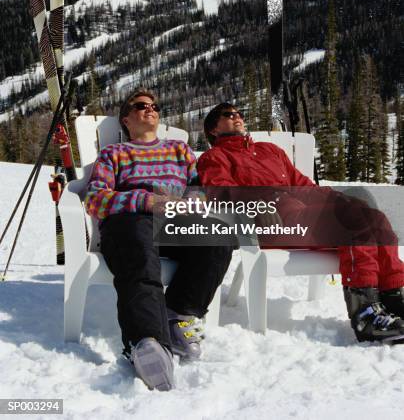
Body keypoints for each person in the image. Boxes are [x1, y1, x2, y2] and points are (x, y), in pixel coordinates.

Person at [197, 102, 404, 344]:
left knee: (373, 217)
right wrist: (257, 203)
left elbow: (304, 187)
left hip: (302, 215)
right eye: (228, 115)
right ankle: (365, 314)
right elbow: (220, 193)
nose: (237, 117)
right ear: (213, 129)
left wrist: (340, 199)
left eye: (239, 113)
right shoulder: (215, 157)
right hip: (270, 223)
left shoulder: (270, 150)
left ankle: (394, 297)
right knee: (354, 222)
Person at [84, 90, 233, 391]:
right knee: (140, 255)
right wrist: (146, 200)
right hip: (131, 221)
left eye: (154, 106)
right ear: (126, 119)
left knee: (220, 234)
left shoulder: (180, 150)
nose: (150, 110)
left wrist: (191, 202)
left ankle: (180, 313)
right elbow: (95, 200)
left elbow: (198, 188)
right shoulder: (113, 154)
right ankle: (147, 341)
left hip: (175, 219)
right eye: (141, 106)